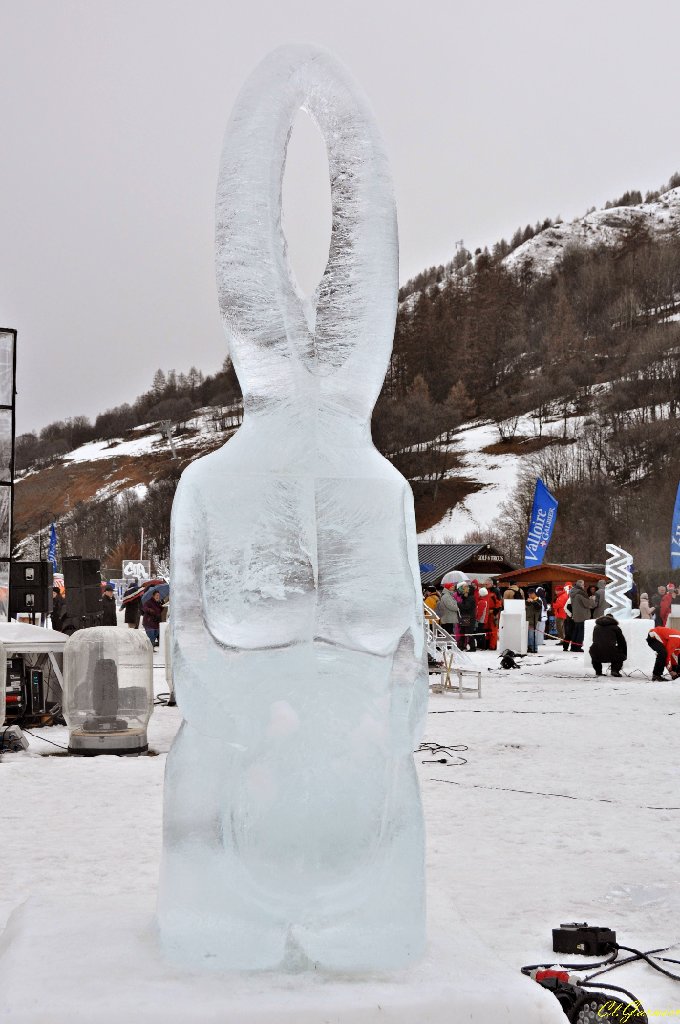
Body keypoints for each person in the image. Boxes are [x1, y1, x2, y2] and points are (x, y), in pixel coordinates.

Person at [562, 580, 595, 653]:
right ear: (581, 585)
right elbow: (587, 604)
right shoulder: (580, 594)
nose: (584, 587)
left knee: (576, 632)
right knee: (581, 633)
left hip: (576, 616)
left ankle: (573, 647)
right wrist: (592, 600)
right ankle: (577, 647)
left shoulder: (573, 593)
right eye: (583, 585)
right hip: (582, 615)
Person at [457, 582, 477, 652]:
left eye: (466, 589)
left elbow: (466, 607)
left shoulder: (470, 598)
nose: (464, 590)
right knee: (463, 631)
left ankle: (472, 647)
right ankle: (461, 646)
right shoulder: (467, 597)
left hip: (469, 617)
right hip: (465, 616)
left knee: (469, 632)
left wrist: (458, 604)